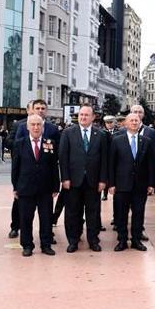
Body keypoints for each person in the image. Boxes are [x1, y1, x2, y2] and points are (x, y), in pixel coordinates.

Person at [58, 105, 108, 253]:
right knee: (73, 212)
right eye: (81, 115)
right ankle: (73, 240)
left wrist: (103, 180)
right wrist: (65, 178)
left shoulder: (100, 135)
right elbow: (63, 157)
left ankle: (93, 240)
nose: (83, 117)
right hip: (73, 181)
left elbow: (104, 159)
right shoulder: (68, 133)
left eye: (87, 115)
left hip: (93, 181)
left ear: (93, 117)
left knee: (93, 212)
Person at [11, 114, 60, 256]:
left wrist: (56, 186)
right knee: (26, 219)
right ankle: (27, 245)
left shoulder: (49, 143)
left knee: (46, 218)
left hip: (45, 189)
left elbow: (53, 167)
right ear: (27, 127)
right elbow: (15, 167)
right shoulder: (19, 143)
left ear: (43, 127)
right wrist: (15, 187)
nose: (36, 127)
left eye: (39, 125)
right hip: (25, 188)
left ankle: (46, 245)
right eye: (33, 124)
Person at [108, 113, 155, 252]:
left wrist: (151, 184)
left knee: (138, 213)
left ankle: (136, 240)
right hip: (122, 184)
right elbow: (112, 163)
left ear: (140, 123)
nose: (134, 123)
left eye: (137, 120)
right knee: (121, 214)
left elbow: (151, 164)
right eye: (132, 120)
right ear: (126, 123)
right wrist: (111, 184)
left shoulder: (146, 141)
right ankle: (122, 240)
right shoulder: (117, 140)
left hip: (140, 185)